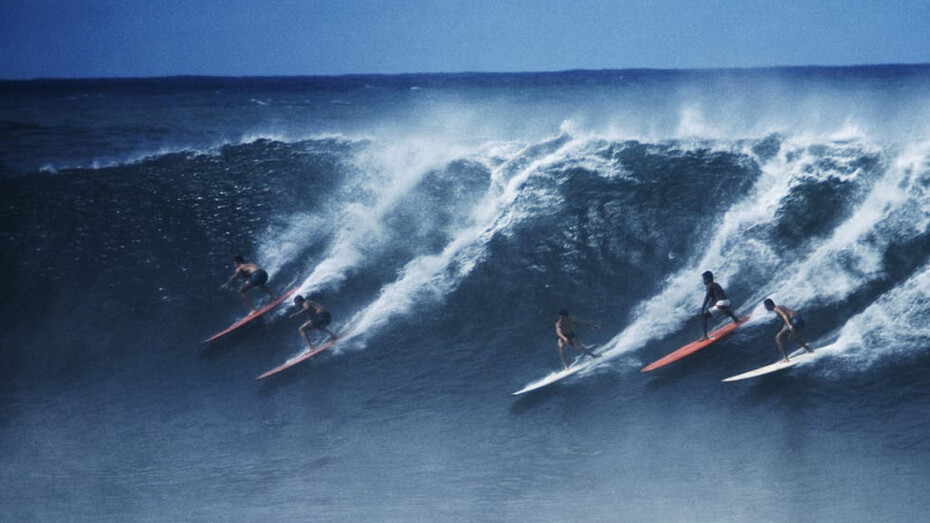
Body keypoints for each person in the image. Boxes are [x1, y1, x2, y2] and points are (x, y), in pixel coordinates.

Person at [699, 270, 741, 340]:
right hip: (727, 302)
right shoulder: (716, 284)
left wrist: (702, 308)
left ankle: (705, 335)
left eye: (704, 279)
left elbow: (707, 297)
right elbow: (718, 295)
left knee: (702, 316)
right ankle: (735, 319)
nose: (704, 281)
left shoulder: (709, 286)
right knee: (724, 309)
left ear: (709, 279)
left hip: (721, 303)